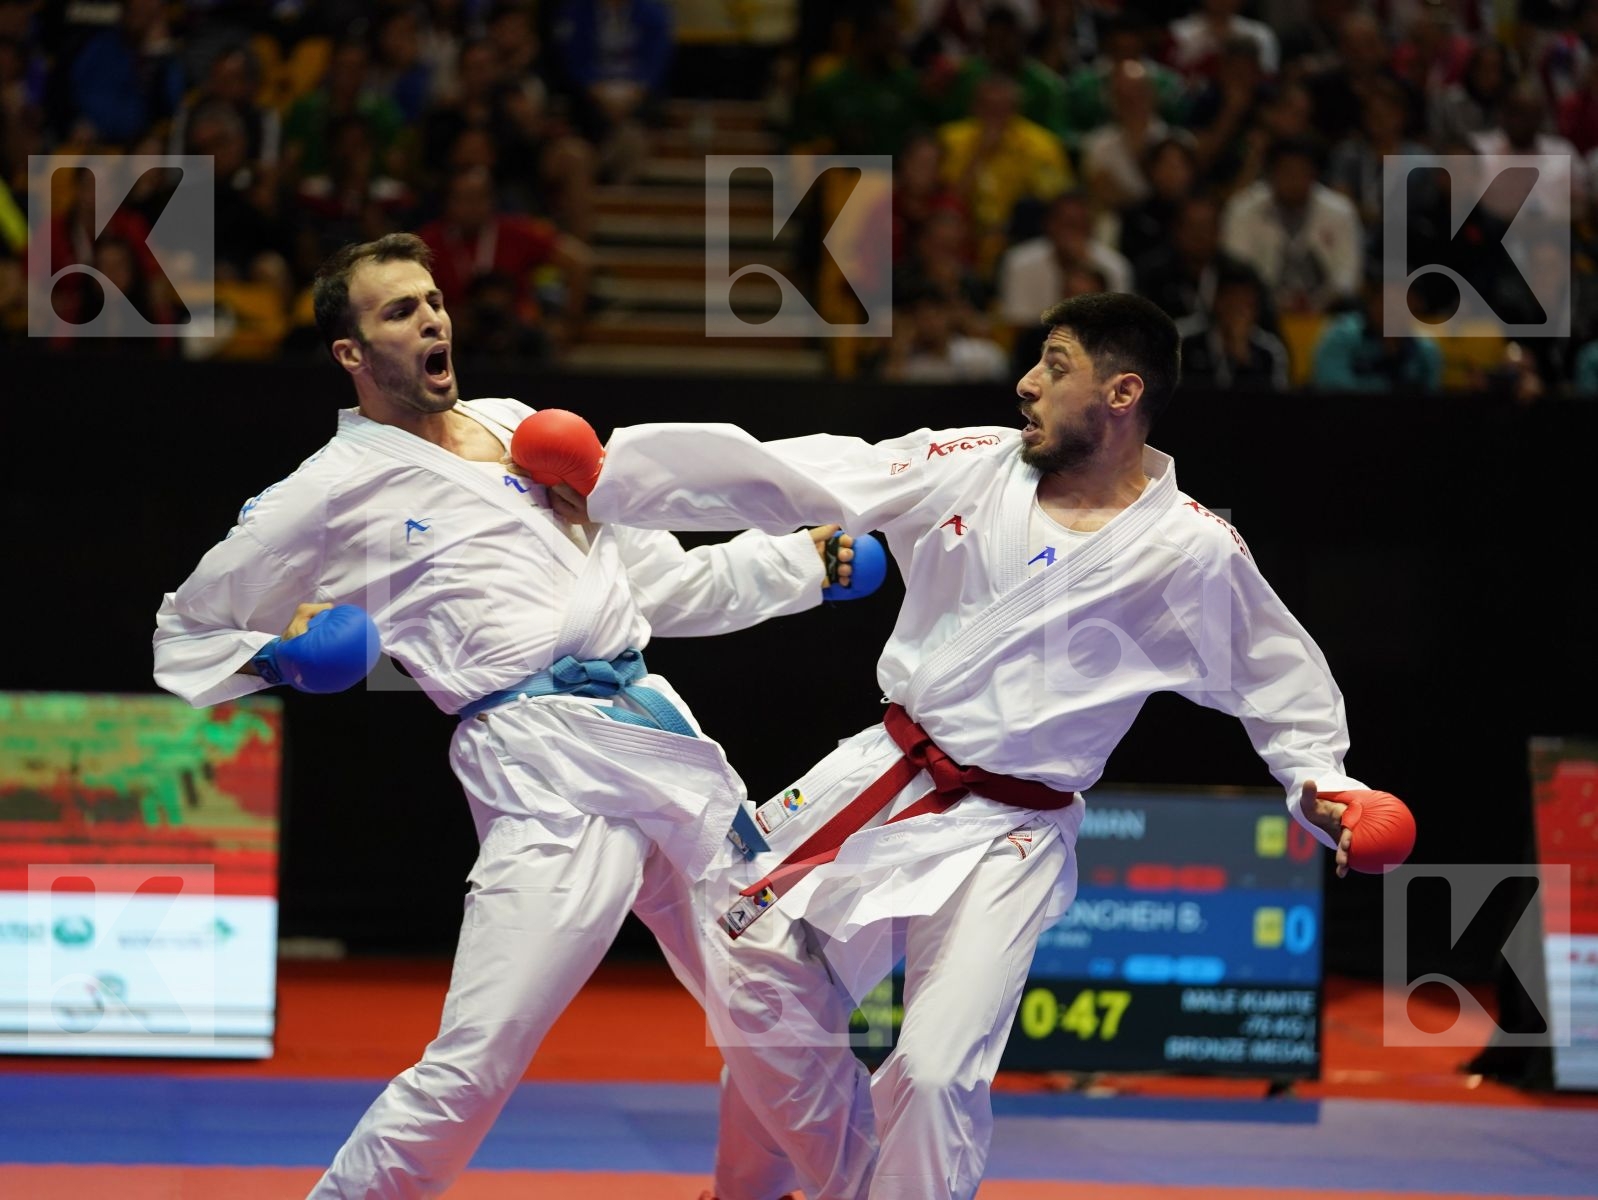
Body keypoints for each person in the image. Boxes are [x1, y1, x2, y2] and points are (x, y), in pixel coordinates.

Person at [552, 291, 1399, 1200]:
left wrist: (1324, 781)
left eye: (1056, 367)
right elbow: (810, 473)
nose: (1027, 383)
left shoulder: (1190, 549)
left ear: (1122, 394)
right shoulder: (972, 463)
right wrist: (616, 475)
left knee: (936, 1071)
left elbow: (1275, 674)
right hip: (884, 776)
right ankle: (765, 1190)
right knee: (760, 992)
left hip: (1013, 836)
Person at [151, 232, 876, 1199]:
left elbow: (656, 583)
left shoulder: (522, 427)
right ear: (351, 353)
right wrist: (281, 654)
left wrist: (795, 565)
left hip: (659, 741)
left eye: (433, 300)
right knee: (479, 1058)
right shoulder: (327, 488)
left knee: (783, 1010)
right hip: (540, 774)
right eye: (400, 311)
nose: (432, 320)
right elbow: (187, 628)